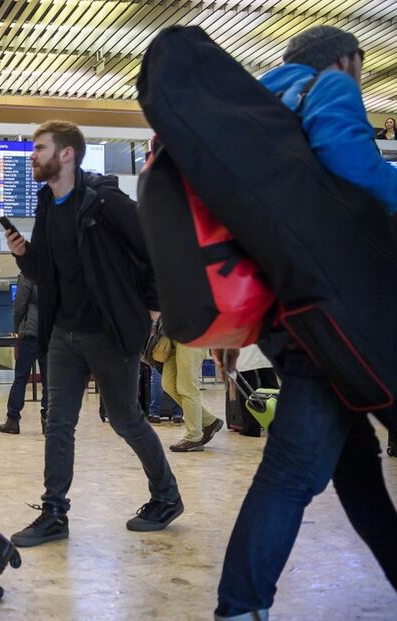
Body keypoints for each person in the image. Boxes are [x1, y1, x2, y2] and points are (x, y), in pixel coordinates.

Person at [215, 27, 397, 620]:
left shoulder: (255, 112)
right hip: (340, 319)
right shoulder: (330, 88)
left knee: (357, 471)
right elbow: (355, 166)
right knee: (292, 473)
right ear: (346, 62)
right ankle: (240, 607)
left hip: (283, 315)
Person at [4, 120, 183, 548]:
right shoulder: (47, 202)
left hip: (108, 332)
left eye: (39, 147)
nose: (32, 155)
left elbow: (153, 251)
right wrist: (25, 256)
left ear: (66, 153)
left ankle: (167, 496)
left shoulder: (105, 200)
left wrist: (153, 308)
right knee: (58, 423)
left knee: (125, 419)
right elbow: (47, 274)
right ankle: (54, 513)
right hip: (63, 334)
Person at [261, 27, 397, 214]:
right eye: (360, 58)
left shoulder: (264, 94)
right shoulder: (333, 82)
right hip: (315, 226)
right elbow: (348, 155)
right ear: (342, 61)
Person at [0, 273, 48, 435]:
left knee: (21, 377)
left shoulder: (28, 274)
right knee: (50, 380)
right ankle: (48, 418)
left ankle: (13, 419)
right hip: (51, 334)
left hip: (30, 333)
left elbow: (19, 306)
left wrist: (16, 330)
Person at [162, 343, 223, 452]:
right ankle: (210, 421)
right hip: (172, 337)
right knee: (169, 384)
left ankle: (193, 438)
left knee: (187, 387)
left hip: (192, 335)